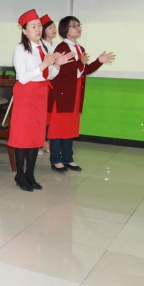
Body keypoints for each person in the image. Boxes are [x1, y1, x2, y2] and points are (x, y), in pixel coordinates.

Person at [8, 9, 74, 192]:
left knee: (36, 136)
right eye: (33, 26)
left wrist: (57, 66)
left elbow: (48, 75)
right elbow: (22, 77)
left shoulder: (44, 49)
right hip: (25, 95)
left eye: (39, 26)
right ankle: (20, 175)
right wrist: (44, 64)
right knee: (22, 136)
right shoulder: (20, 50)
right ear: (24, 31)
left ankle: (30, 174)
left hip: (40, 94)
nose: (37, 29)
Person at [48, 16, 115, 172]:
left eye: (79, 25)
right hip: (63, 94)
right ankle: (56, 160)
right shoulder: (62, 47)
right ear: (65, 29)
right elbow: (60, 71)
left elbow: (83, 71)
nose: (78, 28)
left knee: (70, 126)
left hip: (75, 92)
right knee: (58, 128)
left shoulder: (80, 48)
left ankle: (68, 158)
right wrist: (80, 62)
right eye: (74, 25)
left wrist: (99, 61)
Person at [39, 14, 58, 155]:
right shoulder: (41, 46)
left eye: (54, 27)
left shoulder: (56, 46)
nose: (54, 29)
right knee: (42, 114)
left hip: (54, 83)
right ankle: (40, 142)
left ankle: (45, 140)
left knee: (50, 115)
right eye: (50, 27)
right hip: (43, 83)